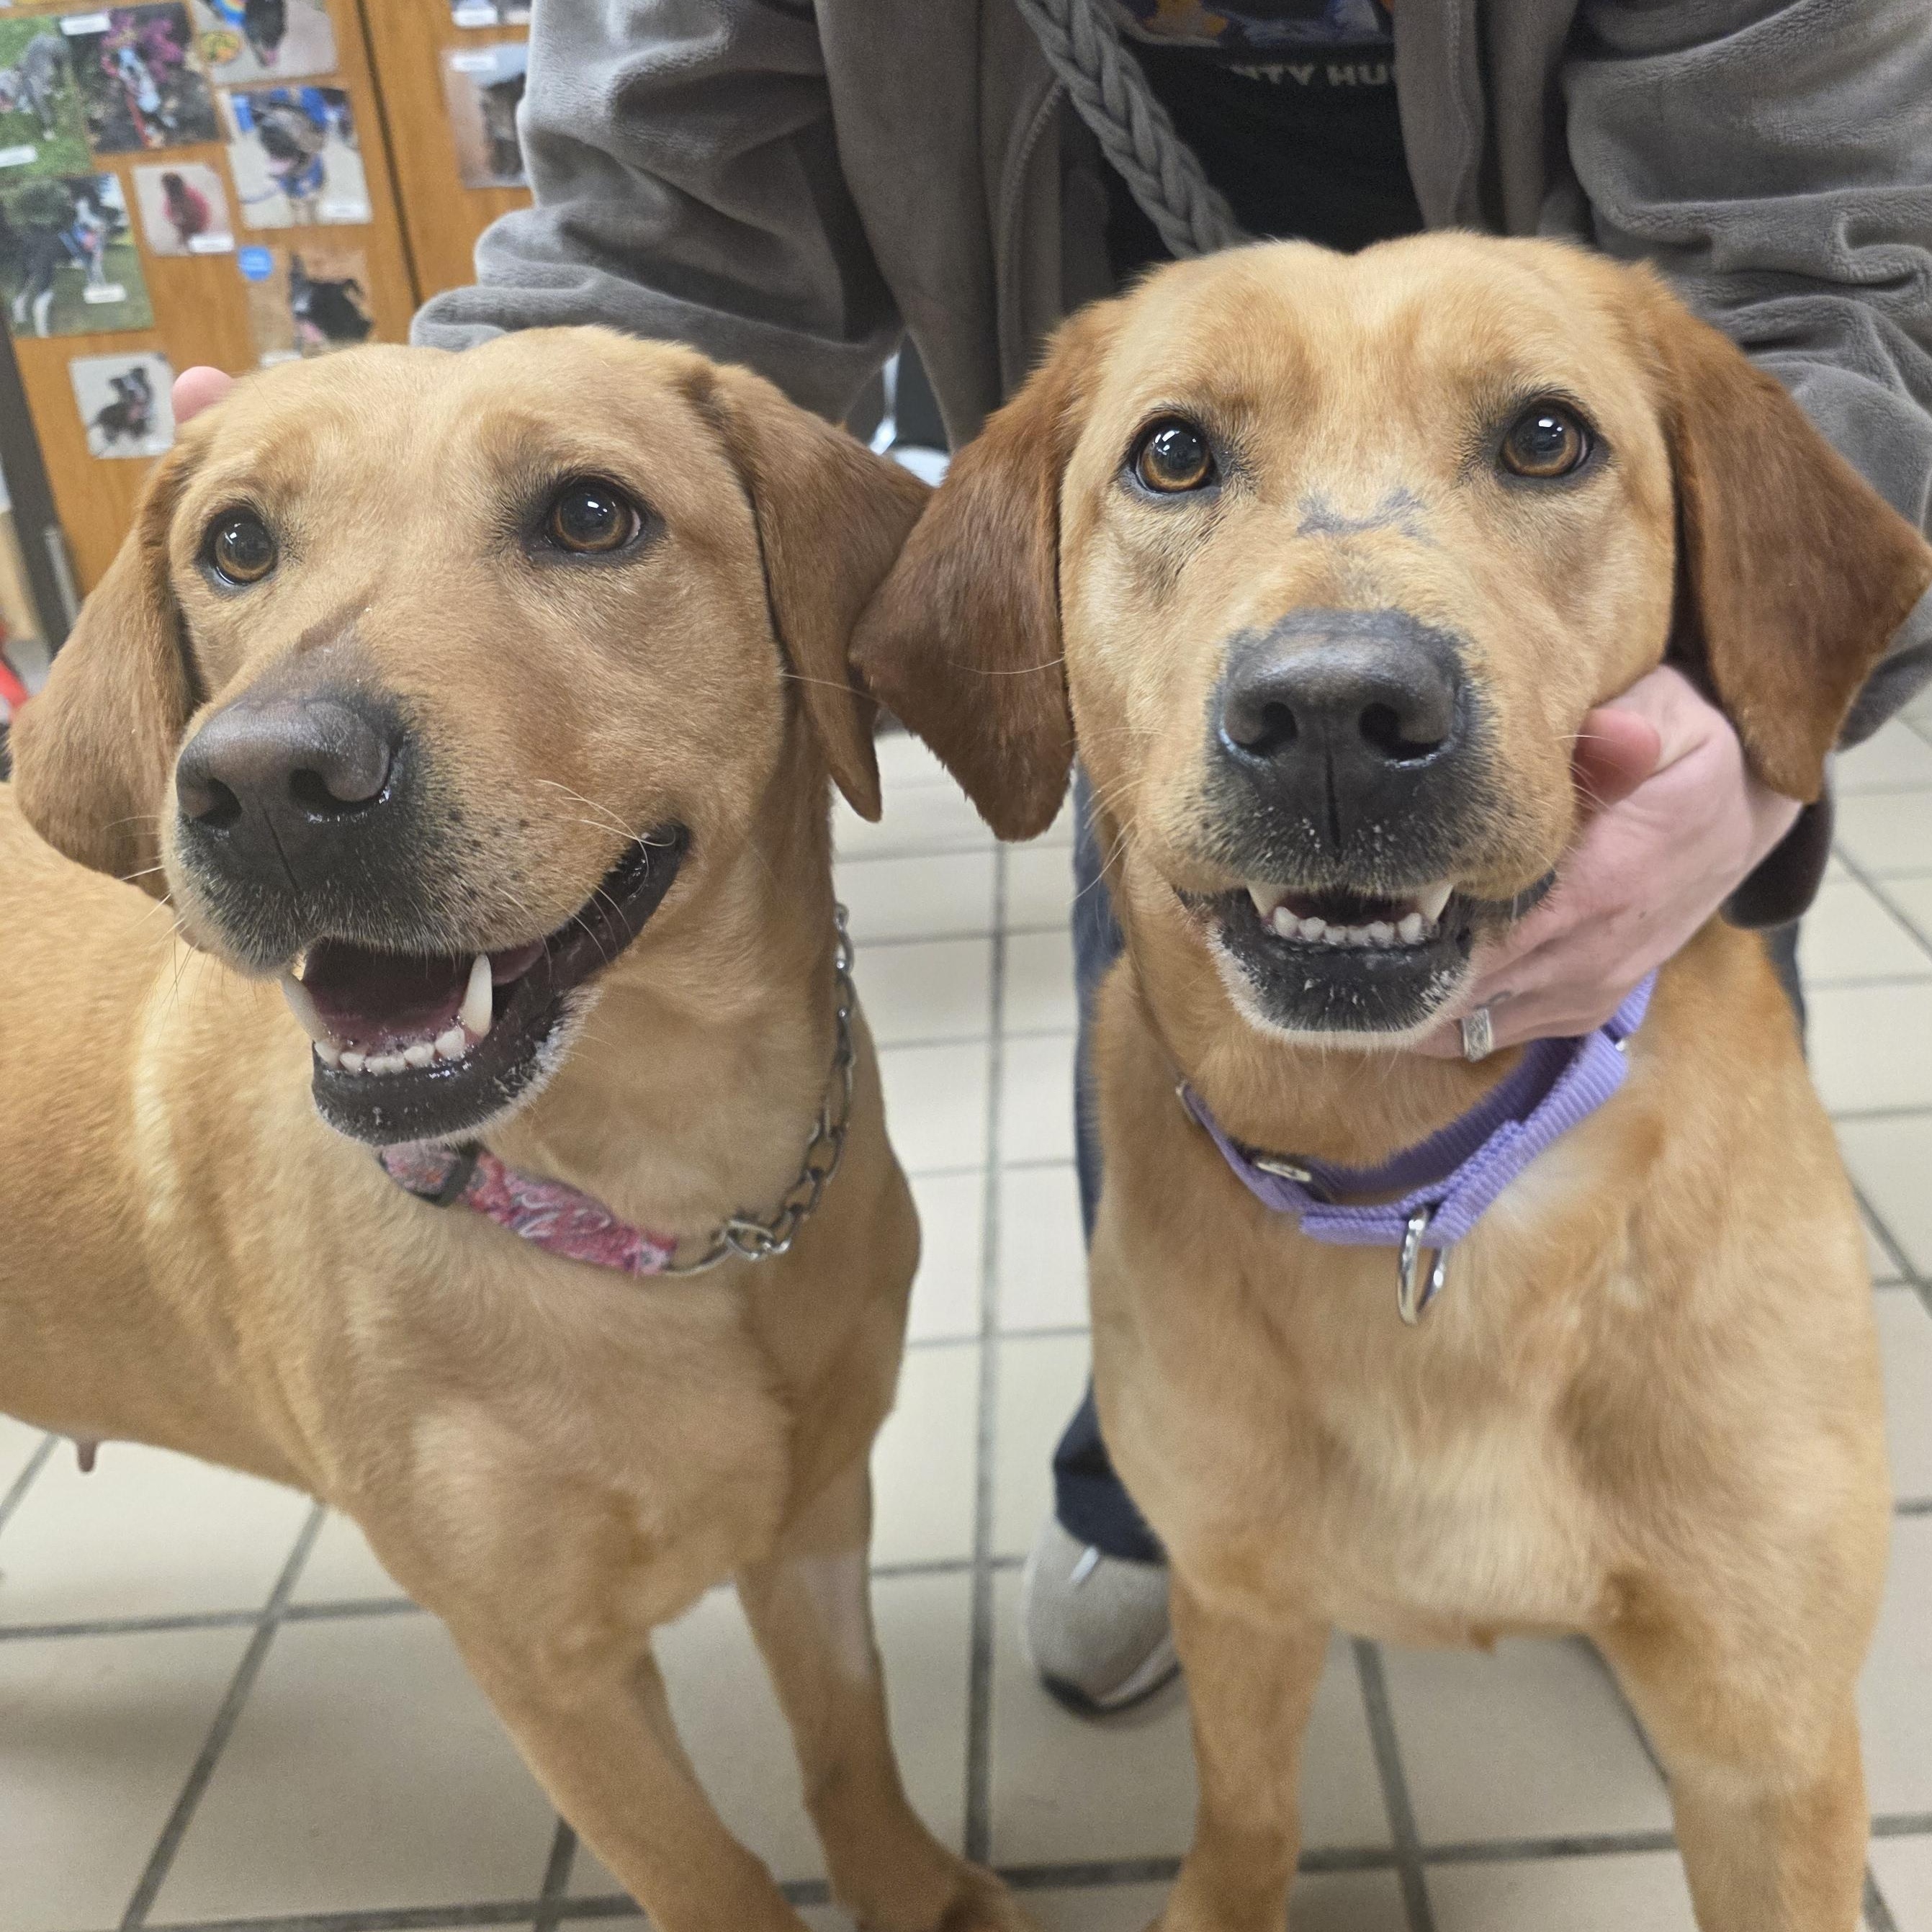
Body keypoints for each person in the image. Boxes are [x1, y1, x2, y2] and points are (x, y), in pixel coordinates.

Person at [182, 0, 1932, 1714]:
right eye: (1171, 457)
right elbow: (662, 230)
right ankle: (1166, 1479)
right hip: (1149, 536)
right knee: (1178, 1057)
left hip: (1597, 616)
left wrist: (1748, 718)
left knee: (1657, 1147)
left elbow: (1833, 259)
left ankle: (1649, 1477)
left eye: (1536, 435)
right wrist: (382, 492)